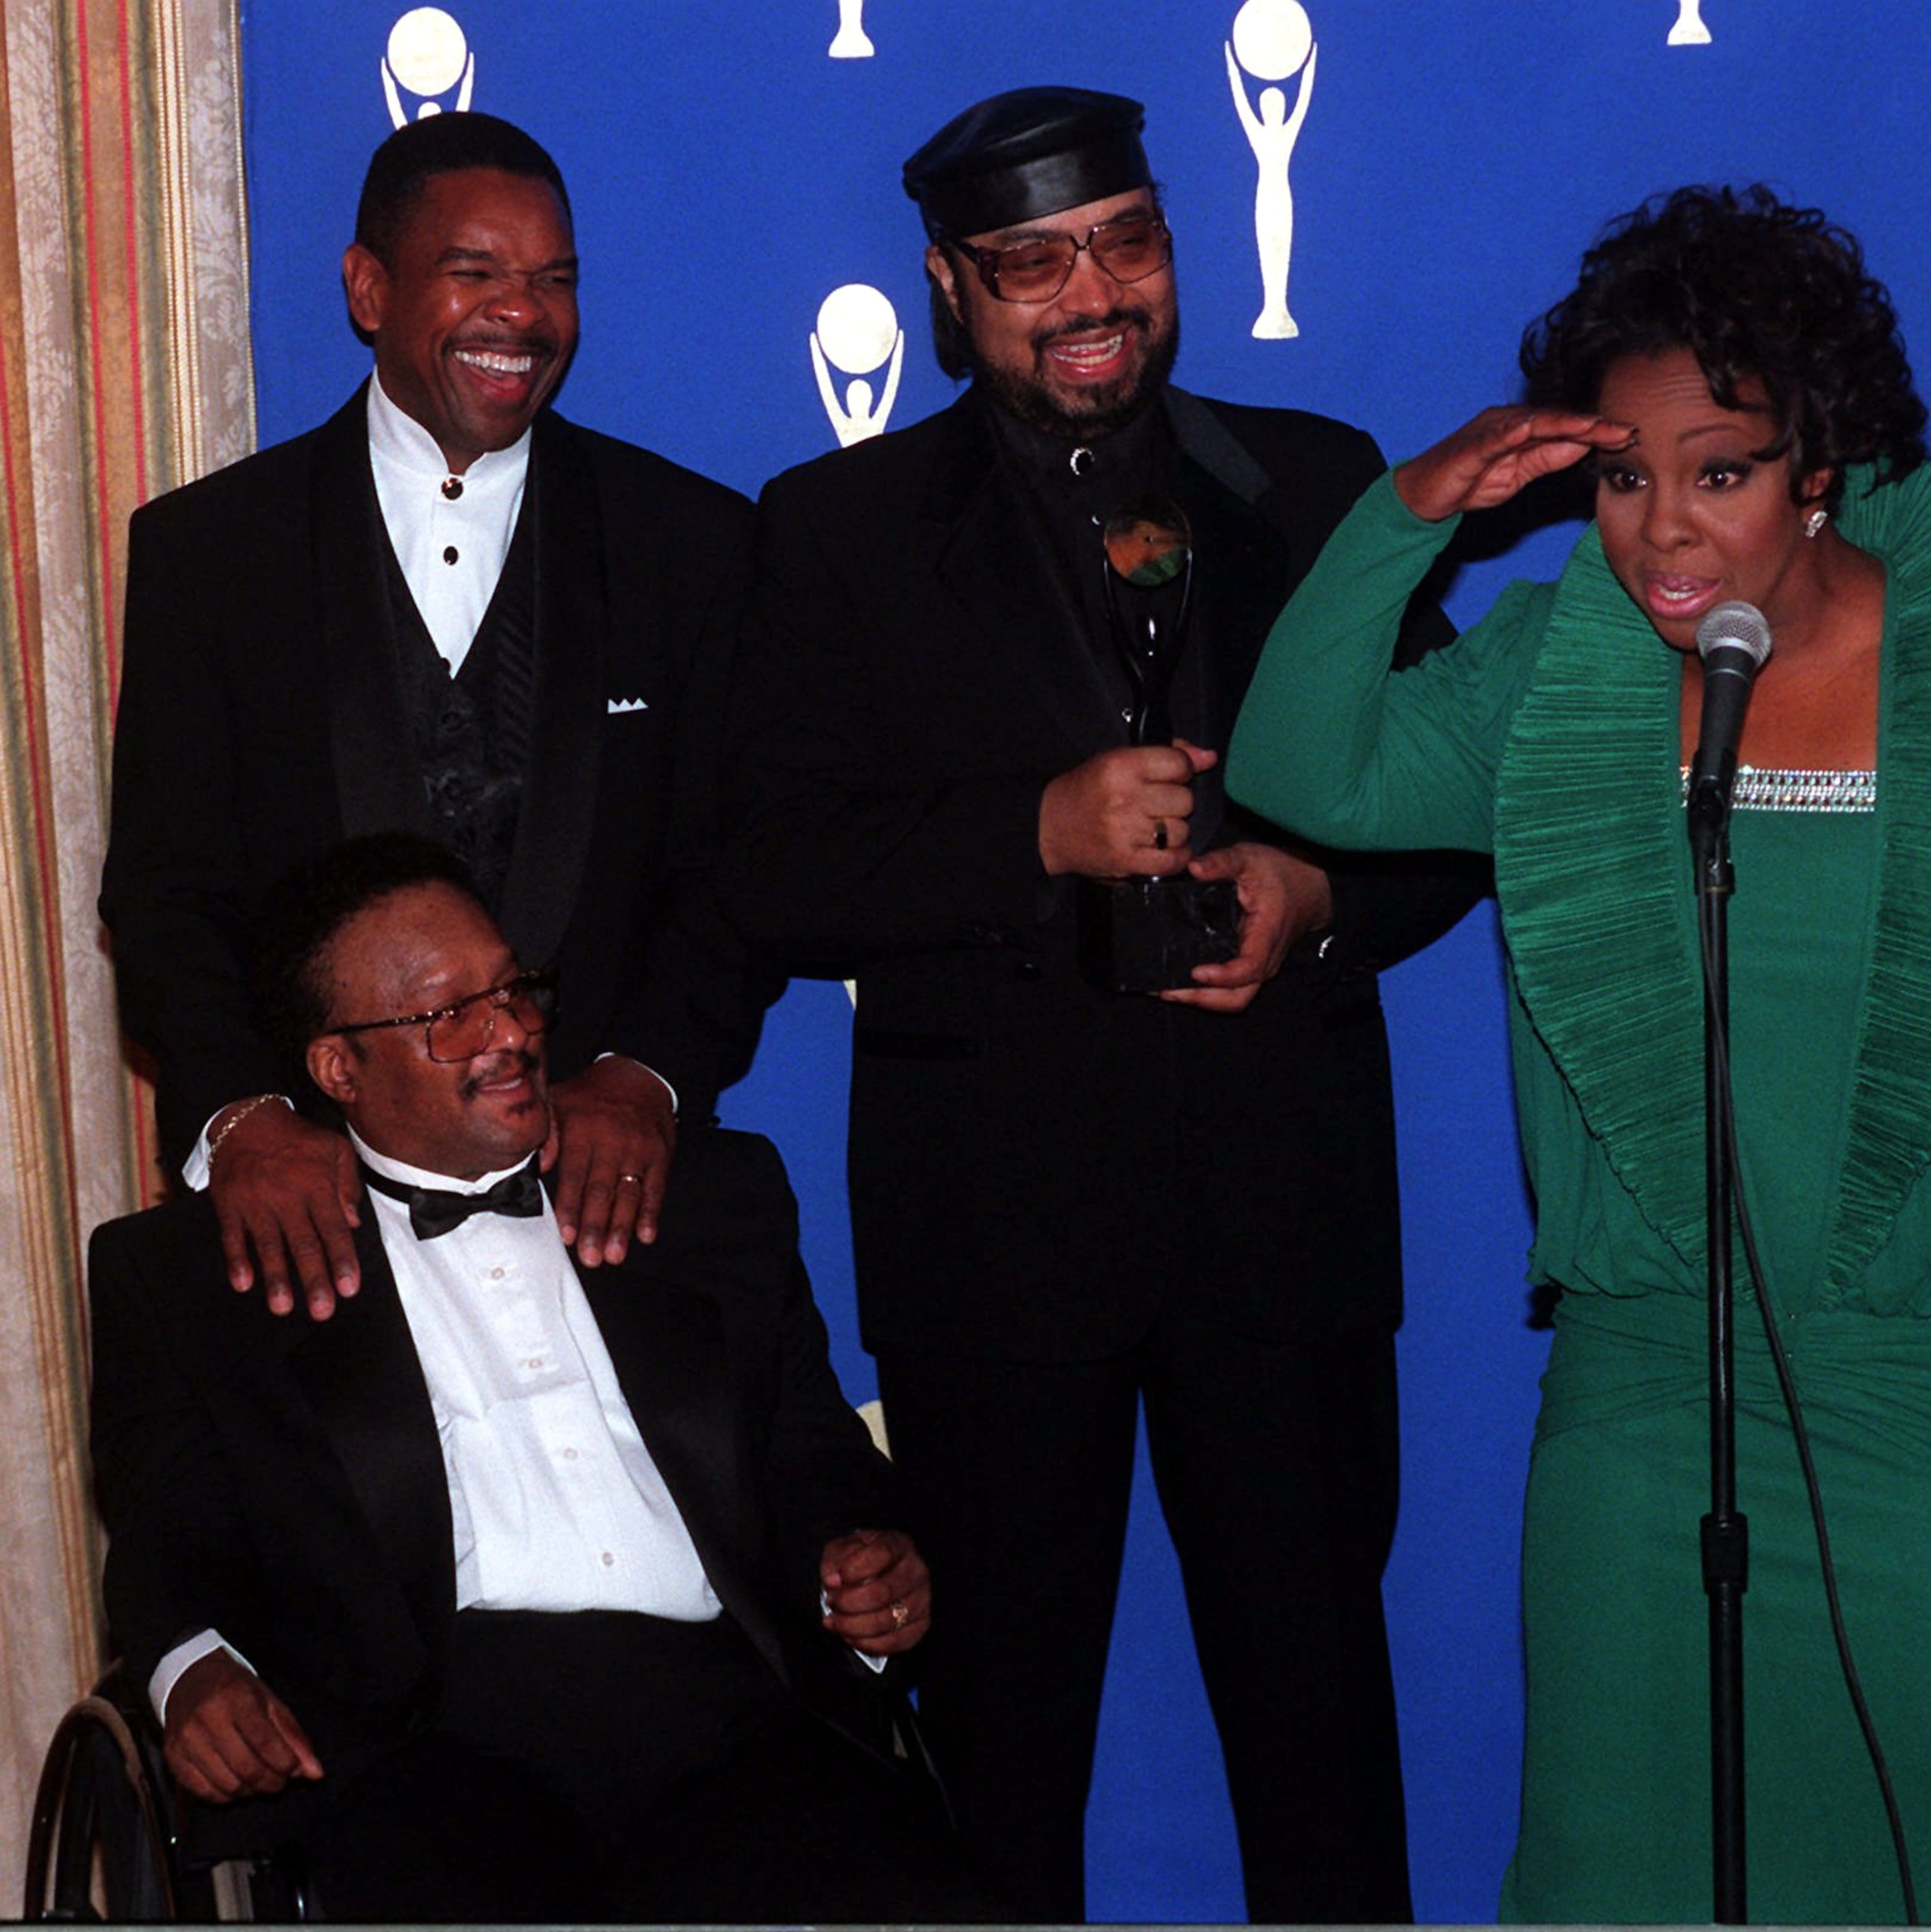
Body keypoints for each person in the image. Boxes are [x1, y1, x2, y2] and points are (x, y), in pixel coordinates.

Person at [1228, 185, 1931, 1923]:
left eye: (1721, 469)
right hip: (1649, 1383)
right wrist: (1408, 510)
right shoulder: (1552, 673)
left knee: (1930, 1863)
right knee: (1613, 1866)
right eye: (1621, 476)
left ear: (1820, 461)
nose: (1662, 529)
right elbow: (1309, 773)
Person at [719, 85, 1477, 1925]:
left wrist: (1314, 899)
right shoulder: (834, 526)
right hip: (995, 1237)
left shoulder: (1316, 486)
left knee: (1322, 1744)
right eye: (1034, 260)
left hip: (1280, 1220)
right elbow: (769, 866)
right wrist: (1031, 831)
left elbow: (1463, 792)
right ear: (948, 291)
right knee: (1002, 1757)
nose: (1091, 291)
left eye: (1125, 244)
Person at [88, 835, 983, 1923]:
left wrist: (861, 1545)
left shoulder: (709, 1199)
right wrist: (195, 1669)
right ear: (338, 1068)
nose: (511, 1030)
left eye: (513, 989)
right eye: (448, 1014)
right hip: (425, 1743)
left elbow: (811, 1451)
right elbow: (166, 1536)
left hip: (733, 1711)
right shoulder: (190, 1273)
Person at [100, 111, 773, 1322]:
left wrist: (648, 1074)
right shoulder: (210, 554)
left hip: (615, 1213)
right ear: (369, 289)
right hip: (313, 1237)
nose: (523, 312)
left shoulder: (693, 543)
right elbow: (164, 891)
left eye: (553, 279)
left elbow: (734, 866)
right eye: (475, 272)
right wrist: (242, 1119)